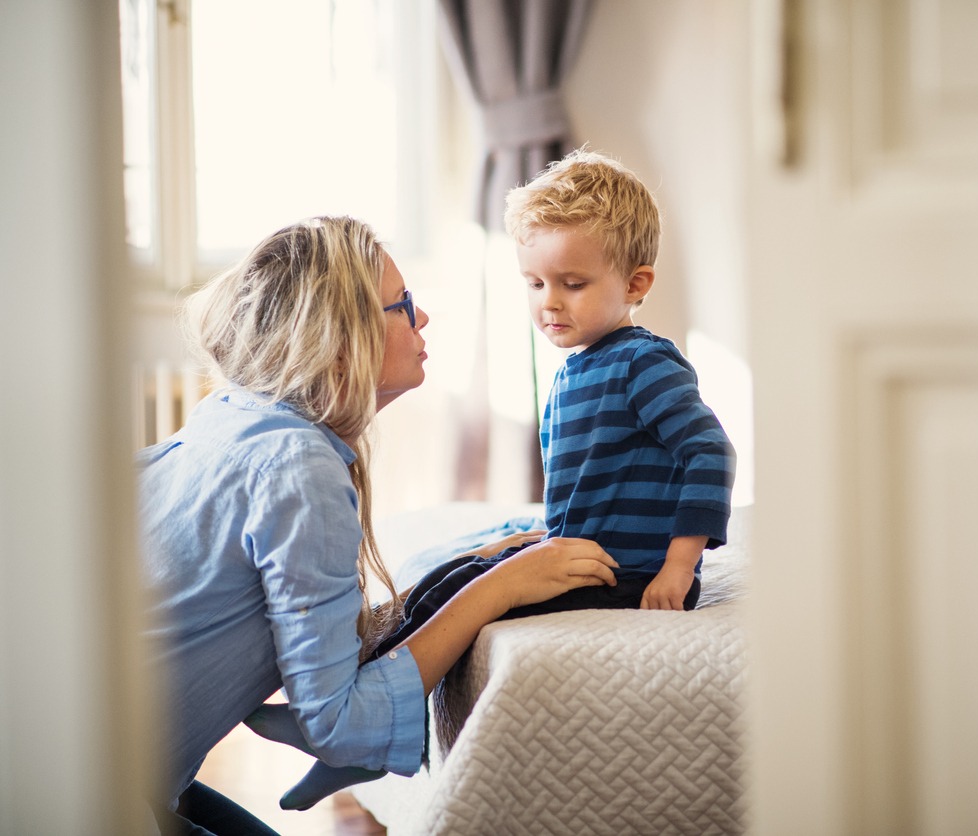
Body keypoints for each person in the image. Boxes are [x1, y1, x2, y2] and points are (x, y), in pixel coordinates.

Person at [252, 148, 737, 811]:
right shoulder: (582, 367)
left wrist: (679, 566)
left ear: (636, 283)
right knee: (449, 576)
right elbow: (603, 476)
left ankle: (354, 740)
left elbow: (708, 452)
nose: (549, 304)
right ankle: (348, 717)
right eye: (535, 284)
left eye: (572, 283)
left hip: (627, 573)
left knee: (466, 599)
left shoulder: (643, 365)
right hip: (590, 552)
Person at [137, 216, 619, 835]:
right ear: (341, 340)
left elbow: (316, 627)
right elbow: (336, 720)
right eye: (404, 305)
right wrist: (504, 586)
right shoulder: (299, 466)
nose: (423, 320)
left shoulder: (232, 415)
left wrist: (473, 567)